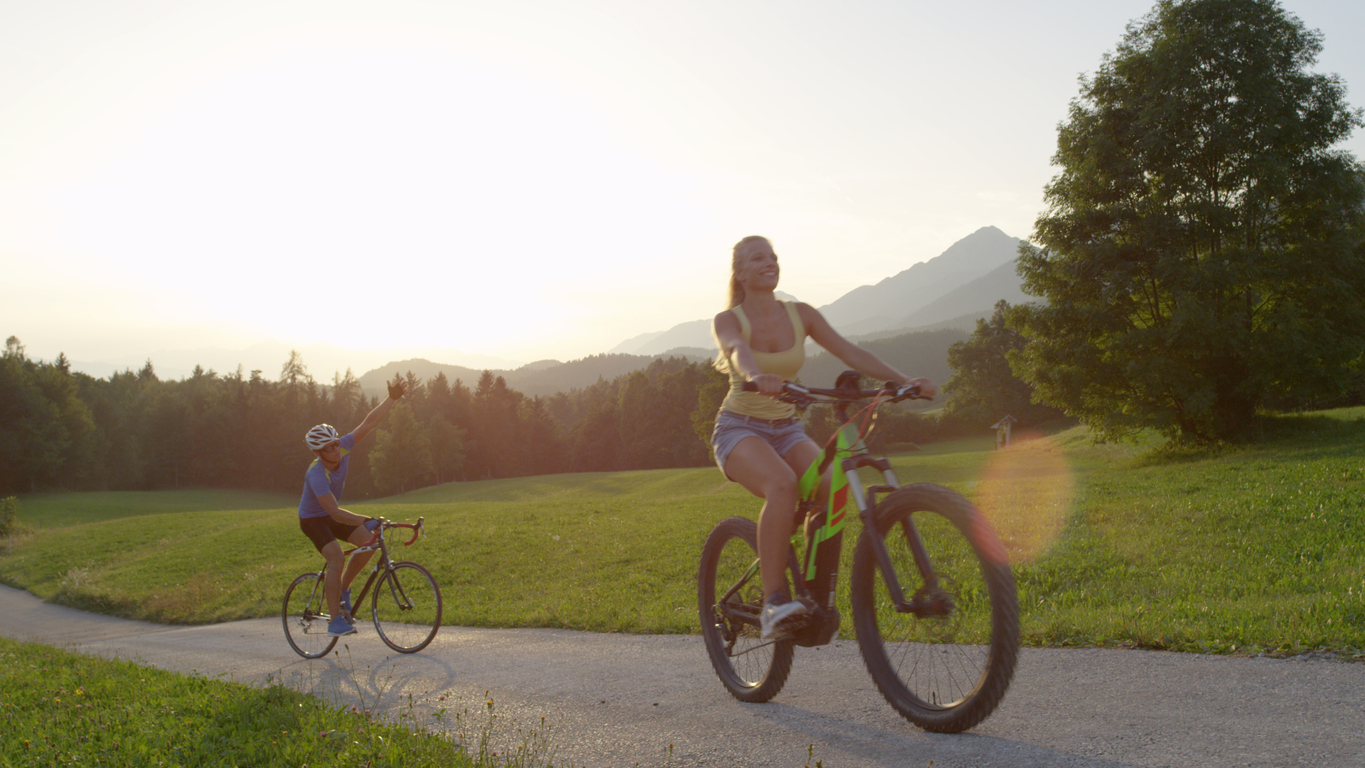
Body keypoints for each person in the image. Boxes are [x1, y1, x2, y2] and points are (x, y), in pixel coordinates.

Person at [710, 235, 938, 640]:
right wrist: (755, 376)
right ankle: (773, 602)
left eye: (774, 256)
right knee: (782, 484)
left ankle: (814, 599)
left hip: (788, 428)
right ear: (740, 272)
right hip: (739, 428)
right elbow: (737, 350)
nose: (770, 261)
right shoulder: (729, 320)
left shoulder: (801, 314)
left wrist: (904, 382)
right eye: (758, 257)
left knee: (832, 485)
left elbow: (851, 353)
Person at [298, 377, 409, 637]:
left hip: (330, 514)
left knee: (369, 541)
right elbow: (334, 513)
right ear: (318, 453)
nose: (336, 449)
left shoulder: (344, 448)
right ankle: (334, 621)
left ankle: (344, 588)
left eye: (336, 442)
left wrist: (392, 398)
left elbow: (369, 423)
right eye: (328, 448)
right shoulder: (316, 474)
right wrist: (365, 517)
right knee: (336, 557)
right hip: (313, 520)